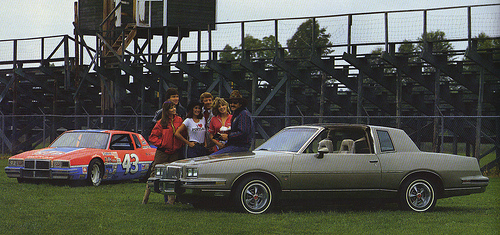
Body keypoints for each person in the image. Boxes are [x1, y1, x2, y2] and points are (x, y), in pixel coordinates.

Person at [142, 101, 184, 205]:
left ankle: (171, 201)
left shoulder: (179, 120)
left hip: (174, 152)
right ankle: (145, 199)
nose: (174, 109)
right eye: (171, 108)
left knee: (173, 175)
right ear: (166, 110)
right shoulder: (161, 122)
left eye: (174, 107)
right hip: (163, 152)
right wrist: (162, 143)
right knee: (154, 173)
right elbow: (152, 137)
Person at [211, 90, 254, 155]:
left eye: (235, 103)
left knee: (214, 157)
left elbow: (243, 132)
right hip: (234, 146)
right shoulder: (237, 114)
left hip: (240, 146)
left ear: (240, 104)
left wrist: (228, 136)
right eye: (231, 103)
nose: (232, 105)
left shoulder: (243, 114)